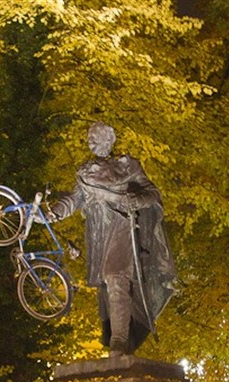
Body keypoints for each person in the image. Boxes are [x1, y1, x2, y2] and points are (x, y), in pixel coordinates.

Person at [48, 121, 177, 356]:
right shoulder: (86, 173)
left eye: (96, 137)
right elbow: (74, 200)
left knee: (116, 276)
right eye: (90, 138)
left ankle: (119, 339)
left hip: (124, 227)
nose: (91, 142)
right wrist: (52, 213)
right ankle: (121, 337)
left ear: (110, 140)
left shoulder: (128, 167)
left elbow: (153, 193)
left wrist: (137, 201)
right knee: (111, 282)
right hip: (100, 235)